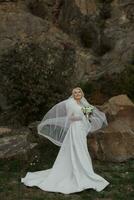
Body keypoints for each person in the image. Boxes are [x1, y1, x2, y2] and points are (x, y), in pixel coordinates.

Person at [21, 87, 109, 194]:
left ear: (82, 93)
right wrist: (81, 117)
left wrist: (87, 116)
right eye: (75, 92)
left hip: (82, 130)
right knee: (78, 149)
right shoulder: (70, 103)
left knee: (82, 149)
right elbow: (70, 118)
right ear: (73, 94)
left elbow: (88, 118)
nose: (77, 93)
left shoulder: (84, 104)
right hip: (75, 128)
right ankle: (78, 171)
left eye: (79, 92)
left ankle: (84, 171)